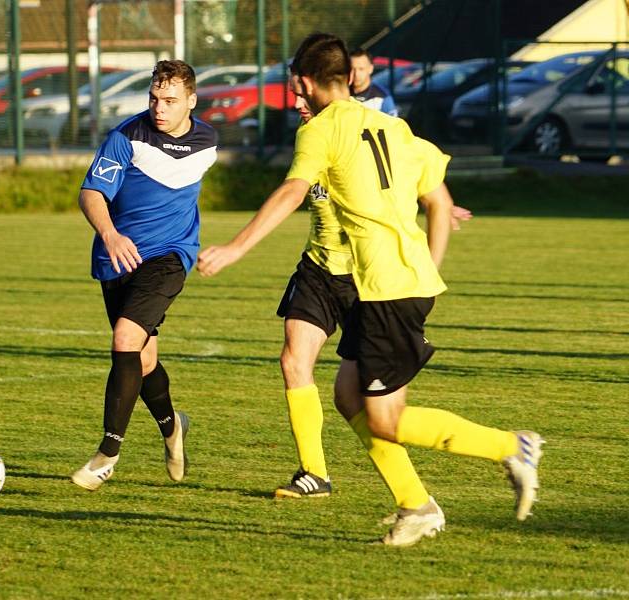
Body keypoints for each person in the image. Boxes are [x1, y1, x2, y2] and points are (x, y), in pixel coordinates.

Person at [198, 33, 543, 547]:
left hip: (386, 287)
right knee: (347, 396)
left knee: (385, 419)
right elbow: (438, 200)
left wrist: (236, 247)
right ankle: (415, 504)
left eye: (297, 87)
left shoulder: (321, 130)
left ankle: (511, 446)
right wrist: (428, 259)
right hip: (391, 280)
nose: (296, 98)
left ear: (308, 82)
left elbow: (293, 189)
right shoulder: (393, 126)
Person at [264, 77, 473, 500]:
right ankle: (315, 472)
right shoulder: (315, 136)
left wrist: (428, 217)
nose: (296, 102)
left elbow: (416, 190)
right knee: (293, 360)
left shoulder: (372, 132)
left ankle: (440, 482)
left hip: (368, 279)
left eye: (300, 92)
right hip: (320, 268)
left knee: (365, 405)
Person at [71, 60, 218, 491]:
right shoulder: (126, 137)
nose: (159, 108)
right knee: (144, 359)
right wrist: (111, 234)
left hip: (170, 257)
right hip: (118, 259)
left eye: (170, 101)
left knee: (124, 339)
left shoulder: (208, 139)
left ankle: (107, 454)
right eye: (154, 98)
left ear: (191, 101)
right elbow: (91, 193)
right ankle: (174, 428)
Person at [349, 48, 398, 116]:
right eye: (352, 69)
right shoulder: (339, 94)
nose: (356, 74)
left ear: (371, 69)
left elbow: (393, 125)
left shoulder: (383, 99)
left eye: (361, 69)